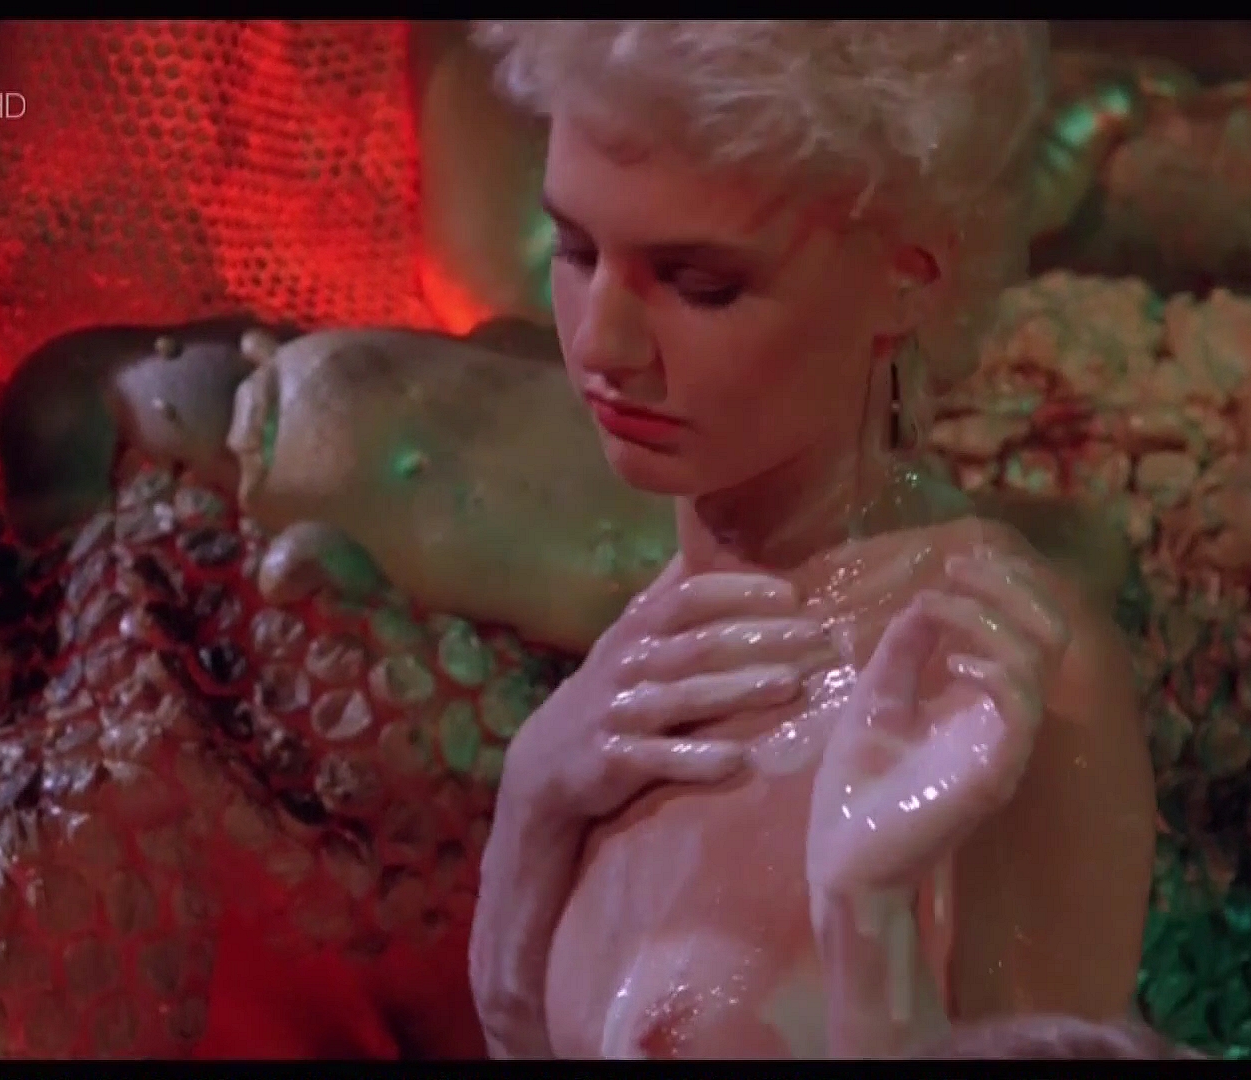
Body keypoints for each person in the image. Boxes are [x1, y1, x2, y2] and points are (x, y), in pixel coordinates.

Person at [465, 20, 1159, 1059]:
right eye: (575, 249)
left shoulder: (1007, 669)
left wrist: (869, 928)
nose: (602, 342)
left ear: (910, 278)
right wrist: (529, 825)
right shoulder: (649, 654)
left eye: (701, 285)